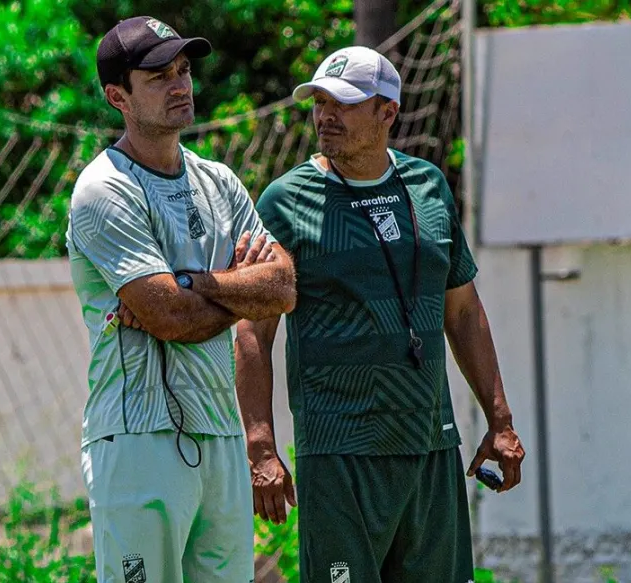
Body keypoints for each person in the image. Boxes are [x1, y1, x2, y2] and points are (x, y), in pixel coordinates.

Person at [235, 46, 526, 583]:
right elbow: (253, 331)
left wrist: (500, 421)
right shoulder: (285, 200)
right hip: (339, 451)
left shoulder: (428, 187)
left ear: (387, 112)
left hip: (430, 443)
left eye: (343, 103)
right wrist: (261, 448)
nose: (325, 116)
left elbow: (462, 311)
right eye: (319, 102)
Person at [65, 16, 297, 583]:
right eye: (158, 76)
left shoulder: (218, 179)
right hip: (139, 435)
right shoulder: (104, 188)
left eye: (184, 70)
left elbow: (286, 284)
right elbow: (170, 318)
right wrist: (239, 290)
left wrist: (194, 284)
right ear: (116, 95)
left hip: (220, 432)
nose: (180, 85)